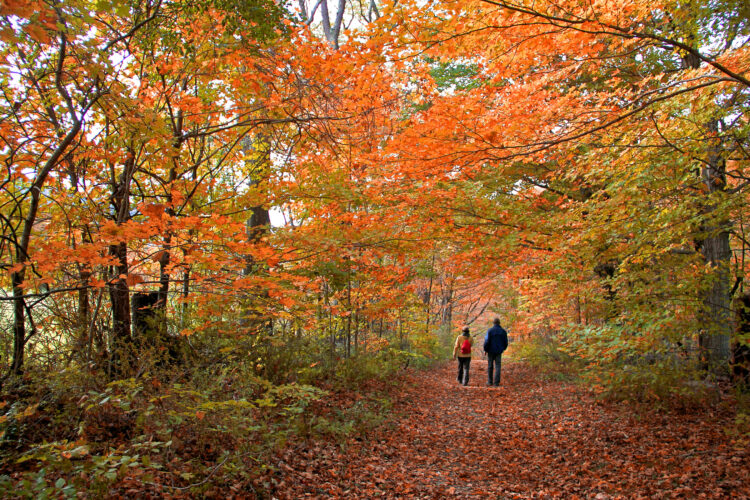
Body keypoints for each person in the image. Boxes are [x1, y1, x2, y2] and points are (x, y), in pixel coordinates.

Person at [484, 318, 508, 386]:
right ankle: (496, 382)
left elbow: (487, 341)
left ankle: (490, 381)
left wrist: (485, 349)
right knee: (498, 366)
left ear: (493, 323)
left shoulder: (490, 331)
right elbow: (505, 342)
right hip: (499, 351)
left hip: (490, 350)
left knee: (490, 366)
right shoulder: (503, 331)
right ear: (499, 323)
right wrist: (503, 349)